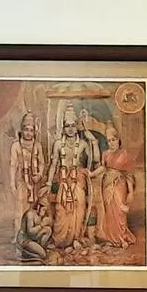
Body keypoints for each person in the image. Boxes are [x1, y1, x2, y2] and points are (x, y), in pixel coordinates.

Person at [45, 103, 97, 250]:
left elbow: (95, 160)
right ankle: (60, 240)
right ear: (63, 127)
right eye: (67, 126)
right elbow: (53, 164)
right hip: (63, 180)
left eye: (73, 125)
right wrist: (49, 183)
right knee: (62, 210)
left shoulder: (82, 144)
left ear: (77, 127)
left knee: (79, 207)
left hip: (78, 180)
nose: (70, 128)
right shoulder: (57, 144)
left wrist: (92, 140)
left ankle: (76, 238)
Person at [93, 125, 136, 248]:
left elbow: (128, 174)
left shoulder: (124, 154)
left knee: (119, 211)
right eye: (108, 141)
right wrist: (91, 174)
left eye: (113, 140)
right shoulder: (105, 154)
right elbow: (102, 167)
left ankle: (122, 237)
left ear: (118, 140)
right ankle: (111, 238)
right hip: (106, 185)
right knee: (109, 211)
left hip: (119, 185)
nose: (111, 143)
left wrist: (131, 192)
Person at [8, 112, 46, 233]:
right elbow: (13, 165)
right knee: (20, 208)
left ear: (34, 132)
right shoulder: (16, 146)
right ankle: (18, 234)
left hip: (35, 182)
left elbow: (42, 163)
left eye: (31, 130)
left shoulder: (37, 145)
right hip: (22, 181)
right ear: (22, 130)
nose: (28, 133)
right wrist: (12, 182)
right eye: (26, 130)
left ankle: (32, 235)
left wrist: (39, 175)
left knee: (33, 208)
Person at [15, 194, 53, 263]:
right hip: (25, 239)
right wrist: (42, 225)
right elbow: (30, 232)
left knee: (48, 230)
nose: (44, 212)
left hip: (33, 238)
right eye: (43, 209)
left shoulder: (40, 214)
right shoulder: (30, 214)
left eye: (45, 210)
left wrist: (46, 221)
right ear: (38, 206)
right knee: (43, 255)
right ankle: (25, 253)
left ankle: (40, 248)